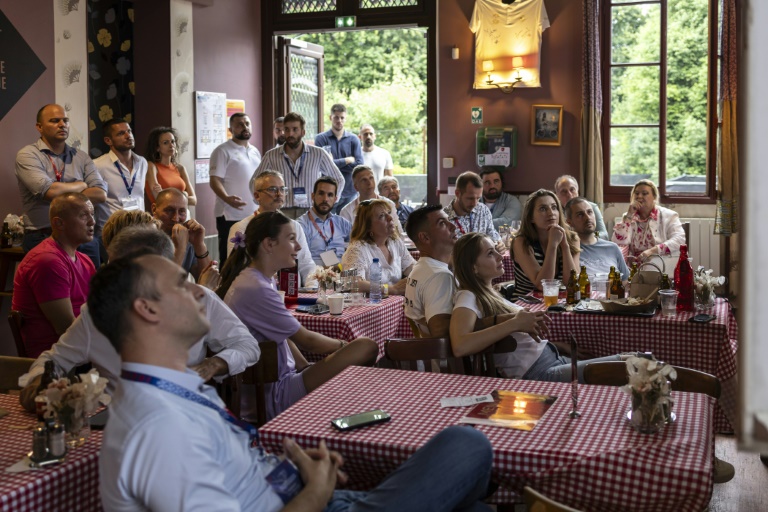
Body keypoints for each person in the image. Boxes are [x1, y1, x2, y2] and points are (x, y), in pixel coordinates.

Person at [93, 253, 494, 512]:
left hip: (295, 495)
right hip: (306, 504)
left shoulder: (175, 384)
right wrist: (315, 492)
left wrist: (300, 471)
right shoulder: (157, 425)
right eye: (182, 284)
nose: (200, 291)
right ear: (146, 309)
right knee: (469, 444)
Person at [17, 225, 260, 412]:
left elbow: (247, 346)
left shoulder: (200, 300)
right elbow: (54, 360)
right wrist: (40, 382)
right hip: (116, 420)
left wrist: (212, 364)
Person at [219, 212, 378, 420]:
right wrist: (343, 347)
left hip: (281, 380)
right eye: (291, 239)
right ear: (269, 244)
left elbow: (281, 334)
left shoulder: (260, 279)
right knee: (366, 346)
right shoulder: (254, 286)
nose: (299, 247)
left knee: (359, 350)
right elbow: (308, 341)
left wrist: (304, 367)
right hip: (272, 394)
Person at [450, 232, 619, 382]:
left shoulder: (491, 294)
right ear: (474, 267)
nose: (500, 256)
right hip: (539, 374)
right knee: (629, 365)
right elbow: (460, 346)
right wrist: (515, 323)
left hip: (551, 359)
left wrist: (555, 345)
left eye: (495, 249)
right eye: (489, 253)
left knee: (630, 360)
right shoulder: (468, 295)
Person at [15, 103, 107, 266]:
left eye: (65, 120)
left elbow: (100, 194)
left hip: (82, 237)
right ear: (39, 127)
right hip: (43, 235)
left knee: (92, 289)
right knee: (54, 289)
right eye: (54, 120)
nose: (62, 124)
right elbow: (50, 192)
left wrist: (61, 190)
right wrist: (81, 184)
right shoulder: (28, 155)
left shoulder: (81, 157)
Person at [12, 193, 96, 358]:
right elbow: (65, 328)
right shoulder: (48, 261)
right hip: (55, 358)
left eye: (92, 214)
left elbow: (98, 309)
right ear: (59, 223)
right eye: (83, 216)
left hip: (80, 348)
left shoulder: (85, 260)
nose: (92, 222)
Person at [227, 170, 315, 286]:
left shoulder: (294, 226)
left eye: (282, 189)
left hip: (293, 294)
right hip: (258, 292)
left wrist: (311, 288)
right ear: (257, 196)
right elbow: (236, 268)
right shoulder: (241, 227)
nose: (279, 194)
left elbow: (306, 264)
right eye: (272, 189)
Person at [252, 112, 344, 219]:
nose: (290, 134)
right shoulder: (271, 155)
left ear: (303, 132)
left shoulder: (318, 153)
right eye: (286, 129)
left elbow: (339, 179)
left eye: (295, 129)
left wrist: (329, 202)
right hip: (281, 211)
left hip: (310, 211)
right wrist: (261, 203)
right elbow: (254, 181)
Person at [209, 113, 262, 265]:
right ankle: (225, 289)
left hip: (253, 215)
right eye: (239, 124)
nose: (244, 127)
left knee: (252, 259)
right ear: (230, 129)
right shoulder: (222, 151)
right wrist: (227, 198)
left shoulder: (255, 151)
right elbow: (214, 180)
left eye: (247, 123)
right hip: (229, 215)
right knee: (230, 260)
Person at [93, 118, 148, 259]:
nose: (128, 136)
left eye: (129, 131)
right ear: (108, 141)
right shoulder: (98, 165)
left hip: (139, 231)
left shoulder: (142, 162)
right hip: (112, 234)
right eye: (121, 133)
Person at [511, 189, 580, 299]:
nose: (551, 213)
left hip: (559, 303)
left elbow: (571, 283)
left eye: (554, 207)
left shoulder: (572, 238)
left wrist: (565, 246)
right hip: (526, 304)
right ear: (531, 217)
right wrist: (552, 245)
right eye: (543, 209)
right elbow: (542, 285)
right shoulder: (521, 242)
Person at [341, 199, 414, 296]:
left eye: (389, 213)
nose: (390, 218)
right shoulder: (357, 248)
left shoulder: (395, 242)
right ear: (368, 226)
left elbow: (411, 268)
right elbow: (352, 283)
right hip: (369, 307)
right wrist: (391, 289)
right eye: (382, 216)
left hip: (394, 305)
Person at [612, 179, 686, 264]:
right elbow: (617, 244)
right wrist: (628, 216)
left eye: (644, 193)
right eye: (636, 193)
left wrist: (653, 251)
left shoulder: (669, 216)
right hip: (634, 268)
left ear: (654, 197)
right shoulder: (628, 216)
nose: (639, 196)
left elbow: (679, 240)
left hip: (661, 266)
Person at [313, 104, 364, 212]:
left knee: (349, 226)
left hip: (350, 192)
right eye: (336, 117)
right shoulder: (320, 139)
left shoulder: (354, 139)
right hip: (328, 192)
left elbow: (359, 165)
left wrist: (332, 163)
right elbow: (321, 165)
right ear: (330, 117)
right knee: (327, 225)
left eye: (342, 117)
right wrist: (346, 160)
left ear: (345, 118)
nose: (339, 120)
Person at [152, 188, 211, 279]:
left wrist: (199, 245)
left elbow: (209, 281)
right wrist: (180, 248)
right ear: (154, 209)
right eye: (169, 211)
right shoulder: (144, 240)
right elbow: (162, 288)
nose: (176, 218)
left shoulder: (186, 237)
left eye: (182, 212)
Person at [565, 197, 629, 280]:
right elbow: (570, 283)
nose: (587, 218)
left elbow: (625, 282)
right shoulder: (568, 250)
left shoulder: (612, 248)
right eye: (580, 215)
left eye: (590, 212)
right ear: (569, 222)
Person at [444, 171, 505, 254]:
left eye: (478, 198)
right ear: (457, 194)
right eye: (470, 198)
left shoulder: (483, 210)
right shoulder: (444, 219)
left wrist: (499, 244)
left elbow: (492, 236)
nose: (475, 204)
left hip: (482, 264)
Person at [297, 177, 352, 266]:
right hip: (316, 275)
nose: (325, 199)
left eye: (330, 195)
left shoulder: (341, 223)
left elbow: (361, 240)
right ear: (313, 196)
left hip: (343, 274)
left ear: (335, 199)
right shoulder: (302, 225)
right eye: (321, 193)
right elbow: (302, 261)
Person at [340, 165, 403, 234]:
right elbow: (345, 240)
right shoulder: (347, 211)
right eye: (364, 180)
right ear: (356, 187)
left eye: (371, 178)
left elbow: (398, 233)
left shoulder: (389, 204)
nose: (369, 183)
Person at [144, 126, 196, 207]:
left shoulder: (180, 168)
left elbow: (194, 200)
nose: (171, 145)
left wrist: (166, 193)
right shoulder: (151, 166)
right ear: (157, 147)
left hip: (183, 215)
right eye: (165, 142)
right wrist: (184, 194)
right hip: (164, 215)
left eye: (173, 141)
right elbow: (158, 198)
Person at [553, 175, 608, 240]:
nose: (569, 194)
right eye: (564, 192)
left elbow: (604, 234)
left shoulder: (591, 207)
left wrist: (590, 236)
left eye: (572, 189)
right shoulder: (554, 212)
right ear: (557, 196)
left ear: (577, 192)